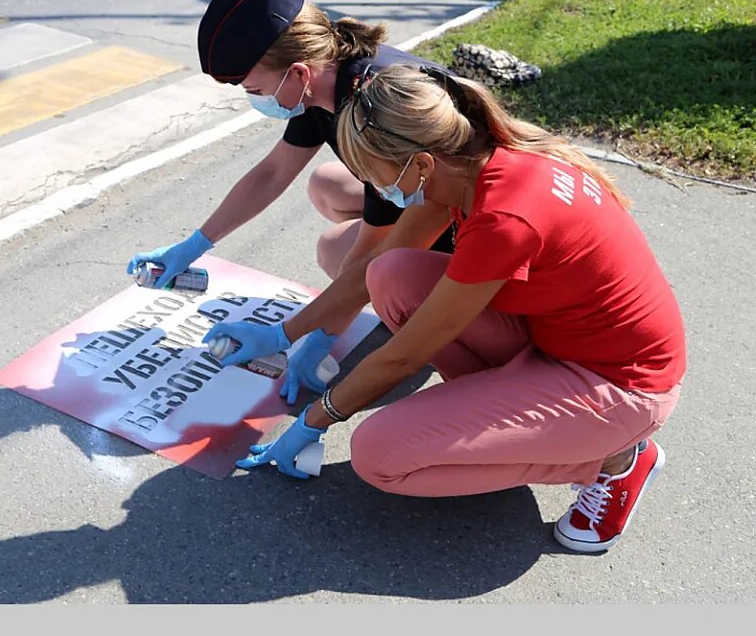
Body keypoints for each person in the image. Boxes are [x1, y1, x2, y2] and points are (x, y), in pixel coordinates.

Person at [203, 64, 687, 553]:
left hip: (621, 387)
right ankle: (513, 424)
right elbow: (372, 267)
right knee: (392, 275)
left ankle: (614, 461)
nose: (375, 188)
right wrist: (285, 333)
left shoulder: (505, 218)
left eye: (375, 173)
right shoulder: (467, 167)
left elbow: (403, 357)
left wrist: (316, 418)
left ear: (420, 164)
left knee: (380, 455)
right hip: (559, 344)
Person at [127, 0, 457, 405]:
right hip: (421, 194)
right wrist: (194, 244)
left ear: (298, 73)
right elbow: (271, 174)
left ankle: (431, 315)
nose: (255, 99)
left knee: (338, 254)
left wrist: (312, 338)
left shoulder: (374, 116)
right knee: (326, 183)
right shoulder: (326, 79)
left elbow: (366, 255)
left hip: (456, 225)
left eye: (254, 88)